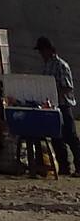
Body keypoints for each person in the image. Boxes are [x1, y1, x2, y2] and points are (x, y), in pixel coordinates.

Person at [35, 37, 80, 174]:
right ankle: (64, 167)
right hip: (52, 107)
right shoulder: (47, 65)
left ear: (49, 50)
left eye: (42, 51)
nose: (41, 54)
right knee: (56, 138)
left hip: (63, 105)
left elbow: (67, 87)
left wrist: (54, 93)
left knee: (71, 137)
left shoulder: (61, 65)